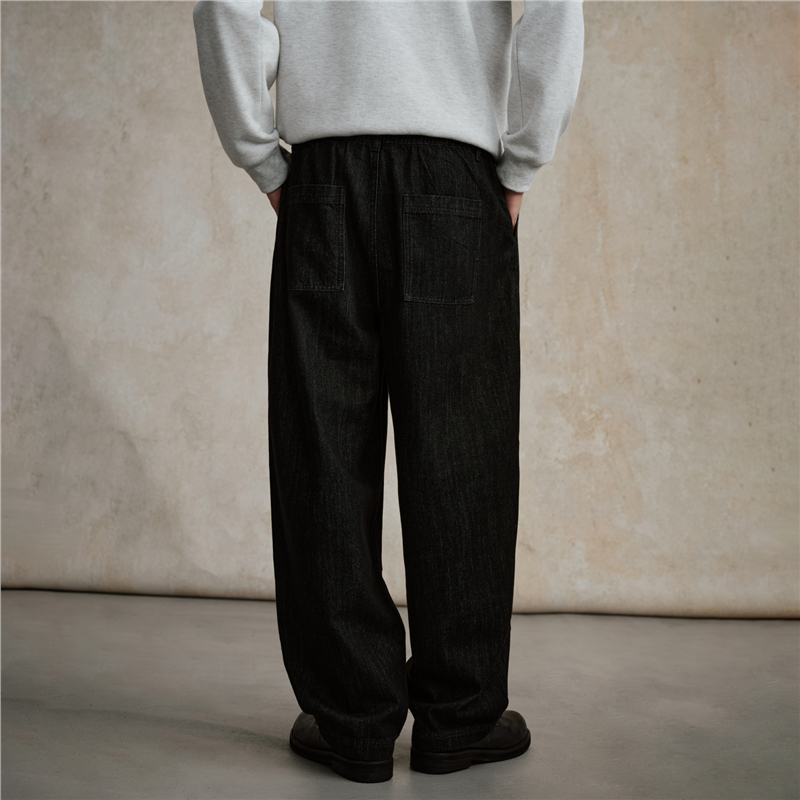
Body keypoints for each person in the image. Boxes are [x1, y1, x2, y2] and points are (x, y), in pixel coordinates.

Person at [193, 0, 584, 784]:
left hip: (324, 177)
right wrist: (522, 163)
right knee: (463, 451)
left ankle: (353, 717)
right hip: (454, 173)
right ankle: (460, 716)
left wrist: (261, 157)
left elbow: (223, 6)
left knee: (323, 447)